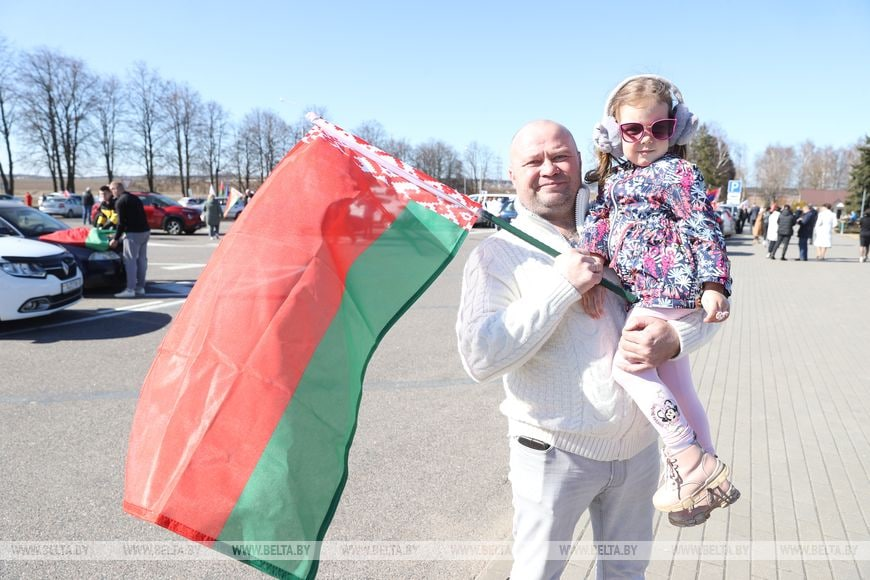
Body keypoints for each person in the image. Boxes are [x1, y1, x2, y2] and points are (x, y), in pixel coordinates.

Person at [456, 119, 720, 579]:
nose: (549, 169)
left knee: (625, 573)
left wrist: (676, 340)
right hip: (553, 452)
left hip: (638, 451)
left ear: (581, 163)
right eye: (533, 161)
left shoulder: (630, 222)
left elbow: (700, 301)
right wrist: (561, 286)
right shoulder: (496, 254)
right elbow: (480, 357)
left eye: (560, 157)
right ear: (512, 175)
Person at [580, 74, 738, 525]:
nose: (646, 139)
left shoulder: (679, 173)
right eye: (633, 130)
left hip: (669, 286)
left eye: (660, 129)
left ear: (676, 129)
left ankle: (687, 459)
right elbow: (597, 229)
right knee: (678, 382)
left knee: (627, 367)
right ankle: (707, 474)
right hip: (651, 292)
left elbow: (704, 227)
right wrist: (590, 265)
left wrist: (714, 284)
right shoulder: (614, 182)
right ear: (614, 133)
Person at [108, 181, 150, 298]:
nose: (111, 193)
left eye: (112, 189)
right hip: (145, 231)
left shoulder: (120, 201)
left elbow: (121, 223)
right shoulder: (134, 198)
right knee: (142, 260)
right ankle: (140, 287)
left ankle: (130, 289)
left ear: (117, 189)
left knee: (130, 261)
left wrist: (115, 238)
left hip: (133, 233)